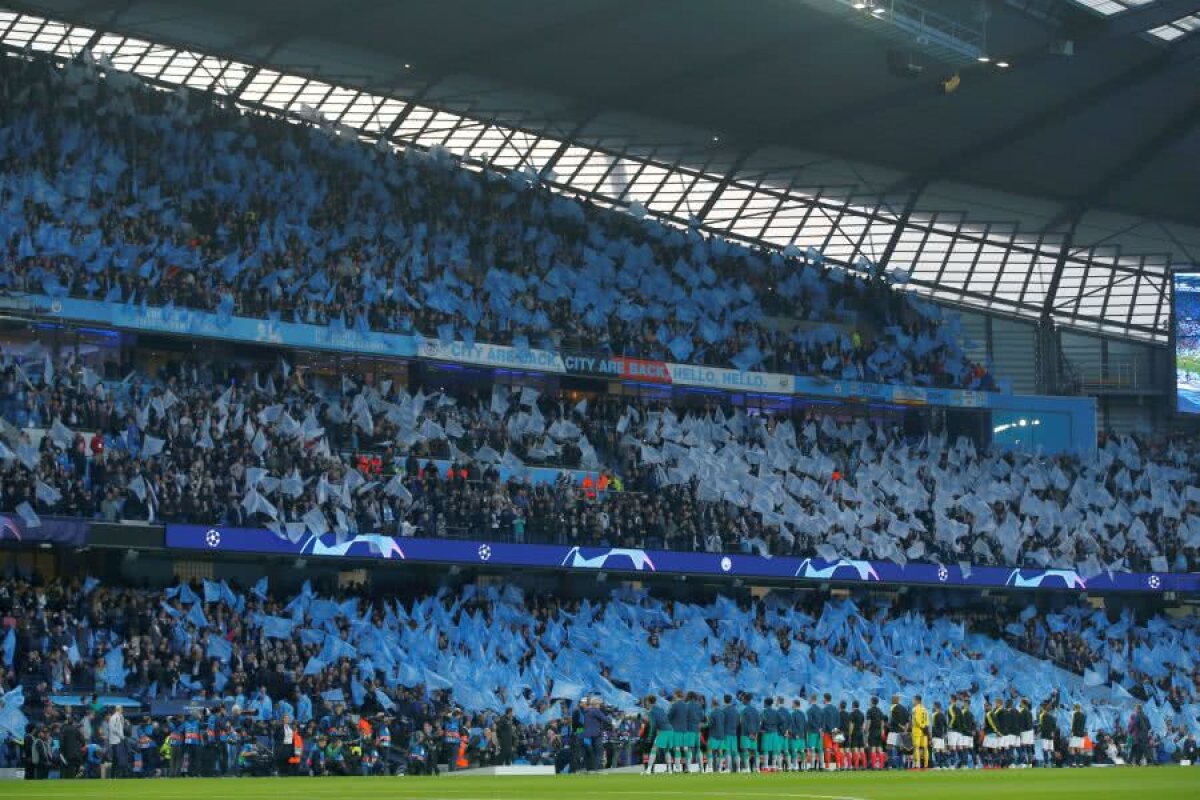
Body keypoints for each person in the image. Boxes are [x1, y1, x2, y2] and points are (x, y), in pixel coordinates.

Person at [643, 694, 672, 774]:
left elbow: (653, 725)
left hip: (663, 731)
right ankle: (669, 770)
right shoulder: (661, 709)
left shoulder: (652, 712)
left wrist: (650, 736)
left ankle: (648, 769)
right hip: (670, 730)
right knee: (667, 750)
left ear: (649, 702)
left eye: (646, 702)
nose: (646, 703)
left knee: (654, 749)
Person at [738, 693, 761, 773]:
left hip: (745, 733)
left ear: (745, 699)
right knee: (755, 751)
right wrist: (755, 733)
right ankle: (757, 768)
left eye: (743, 699)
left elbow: (743, 723)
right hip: (754, 734)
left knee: (745, 750)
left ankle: (747, 768)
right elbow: (759, 722)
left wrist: (750, 733)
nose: (742, 700)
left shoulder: (743, 710)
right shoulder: (756, 710)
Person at [887, 694, 909, 770]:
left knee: (889, 746)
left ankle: (890, 765)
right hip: (902, 732)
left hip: (894, 730)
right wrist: (905, 729)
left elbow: (892, 720)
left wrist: (890, 725)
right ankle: (901, 765)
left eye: (892, 699)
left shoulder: (893, 707)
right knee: (900, 748)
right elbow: (907, 721)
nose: (891, 700)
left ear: (896, 699)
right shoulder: (904, 708)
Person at [706, 694, 726, 773]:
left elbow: (710, 724)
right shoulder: (722, 713)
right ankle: (720, 768)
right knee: (720, 752)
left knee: (710, 750)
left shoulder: (712, 713)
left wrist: (704, 723)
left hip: (714, 735)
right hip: (721, 735)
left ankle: (710, 768)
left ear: (713, 704)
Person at [911, 695, 930, 770]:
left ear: (917, 700)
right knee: (925, 748)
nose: (913, 701)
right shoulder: (925, 709)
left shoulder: (915, 709)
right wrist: (925, 728)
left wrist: (921, 726)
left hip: (917, 730)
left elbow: (916, 720)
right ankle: (926, 764)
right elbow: (927, 721)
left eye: (914, 700)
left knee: (916, 747)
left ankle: (917, 764)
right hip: (924, 730)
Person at [866, 696, 885, 770]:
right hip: (879, 732)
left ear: (872, 702)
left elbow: (869, 722)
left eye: (870, 701)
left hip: (872, 731)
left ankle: (873, 766)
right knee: (879, 748)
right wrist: (882, 731)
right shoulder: (880, 711)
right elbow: (882, 722)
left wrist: (866, 730)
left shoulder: (869, 711)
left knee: (873, 748)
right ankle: (881, 766)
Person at [1037, 699, 1057, 768]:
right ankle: (1054, 763)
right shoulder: (1052, 717)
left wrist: (1040, 732)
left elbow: (1042, 726)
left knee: (1045, 749)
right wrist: (1053, 733)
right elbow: (1054, 727)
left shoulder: (1043, 717)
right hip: (1050, 735)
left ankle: (1046, 763)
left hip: (1045, 735)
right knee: (1051, 749)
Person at [1069, 703, 1087, 768]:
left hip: (1075, 733)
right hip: (1081, 734)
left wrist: (1072, 732)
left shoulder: (1075, 714)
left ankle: (1073, 763)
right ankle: (1081, 763)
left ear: (1075, 708)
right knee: (1081, 748)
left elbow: (1073, 724)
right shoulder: (1083, 715)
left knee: (1073, 748)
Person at [930, 701, 946, 770]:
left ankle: (937, 766)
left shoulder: (933, 715)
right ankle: (943, 765)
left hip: (936, 735)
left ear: (935, 706)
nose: (932, 707)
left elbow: (932, 726)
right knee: (942, 750)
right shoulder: (942, 715)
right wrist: (944, 734)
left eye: (933, 706)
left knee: (936, 750)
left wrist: (931, 735)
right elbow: (946, 726)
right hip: (941, 735)